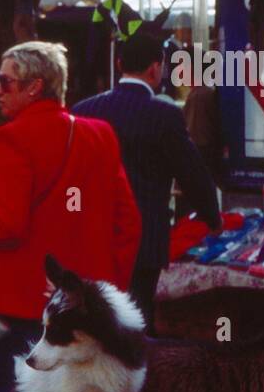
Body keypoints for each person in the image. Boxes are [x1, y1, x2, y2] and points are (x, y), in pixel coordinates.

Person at [0, 41, 141, 392]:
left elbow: (5, 226)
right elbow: (128, 225)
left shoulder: (11, 139)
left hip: (16, 307)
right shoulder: (100, 135)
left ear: (34, 87)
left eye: (5, 82)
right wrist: (104, 294)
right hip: (81, 314)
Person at [73, 31, 221, 331]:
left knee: (93, 319)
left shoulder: (83, 111)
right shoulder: (164, 114)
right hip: (145, 237)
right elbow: (191, 173)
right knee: (137, 320)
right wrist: (212, 218)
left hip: (93, 234)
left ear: (118, 63)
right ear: (156, 67)